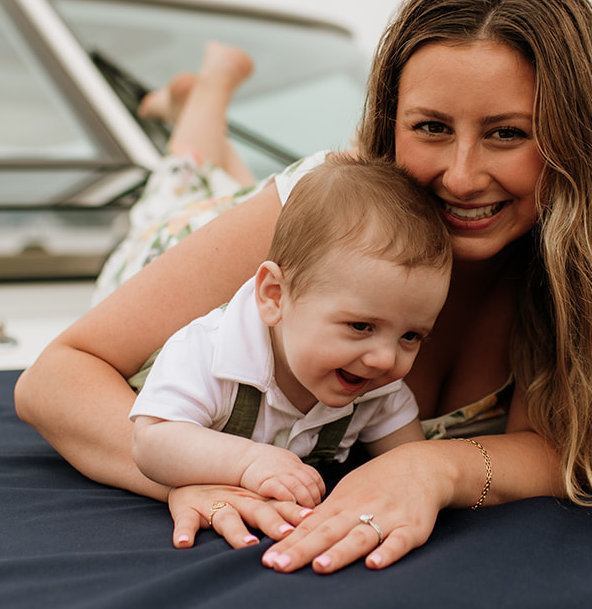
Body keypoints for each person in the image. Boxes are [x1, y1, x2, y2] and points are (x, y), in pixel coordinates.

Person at [16, 0, 592, 575]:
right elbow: (54, 379)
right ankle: (202, 101)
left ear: (573, 140)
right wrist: (195, 474)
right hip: (179, 243)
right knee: (182, 186)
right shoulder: (319, 200)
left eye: (507, 133)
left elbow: (564, 446)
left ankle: (201, 118)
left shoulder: (567, 264)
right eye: (431, 127)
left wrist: (433, 470)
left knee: (213, 179)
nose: (461, 176)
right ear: (389, 121)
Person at [130, 153, 452, 512]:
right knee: (180, 185)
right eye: (361, 326)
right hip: (159, 244)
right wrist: (248, 462)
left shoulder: (379, 388)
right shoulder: (207, 351)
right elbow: (151, 441)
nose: (385, 359)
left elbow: (410, 464)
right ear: (275, 296)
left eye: (411, 336)